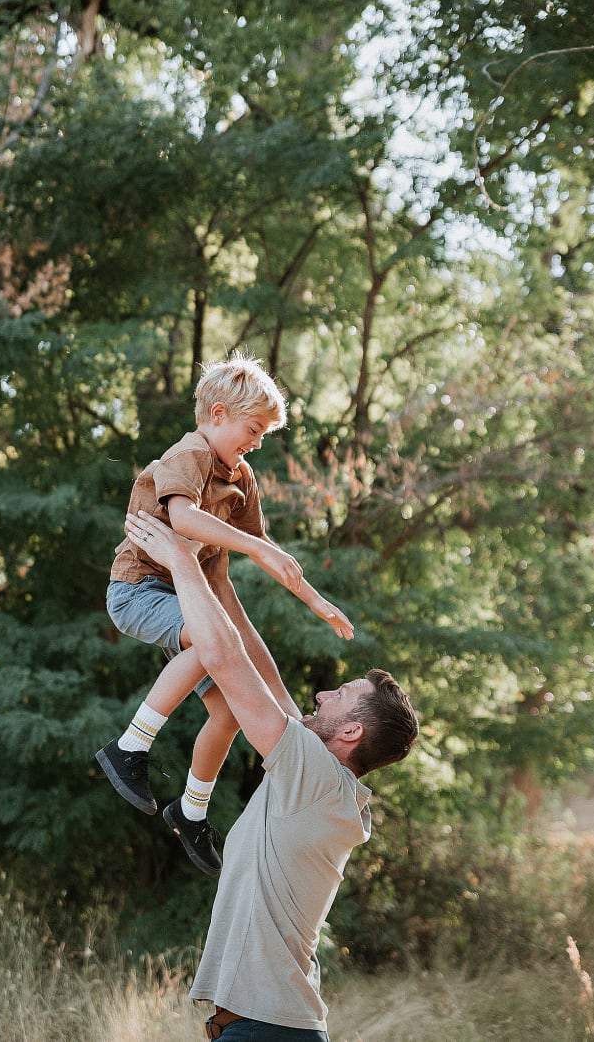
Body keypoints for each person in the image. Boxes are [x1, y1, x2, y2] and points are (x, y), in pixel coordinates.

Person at [123, 509, 419, 1042]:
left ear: (350, 733)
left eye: (340, 695)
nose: (322, 694)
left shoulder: (317, 779)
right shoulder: (319, 777)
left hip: (268, 1031)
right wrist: (219, 577)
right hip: (265, 1029)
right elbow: (260, 667)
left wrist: (178, 561)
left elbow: (225, 658)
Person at [95, 351, 354, 876]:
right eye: (252, 429)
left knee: (231, 710)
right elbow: (184, 519)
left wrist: (313, 599)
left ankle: (190, 811)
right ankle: (130, 746)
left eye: (263, 435)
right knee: (212, 645)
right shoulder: (188, 455)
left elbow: (263, 546)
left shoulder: (239, 474)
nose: (256, 443)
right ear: (217, 414)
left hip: (192, 600)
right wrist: (254, 551)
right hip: (139, 590)